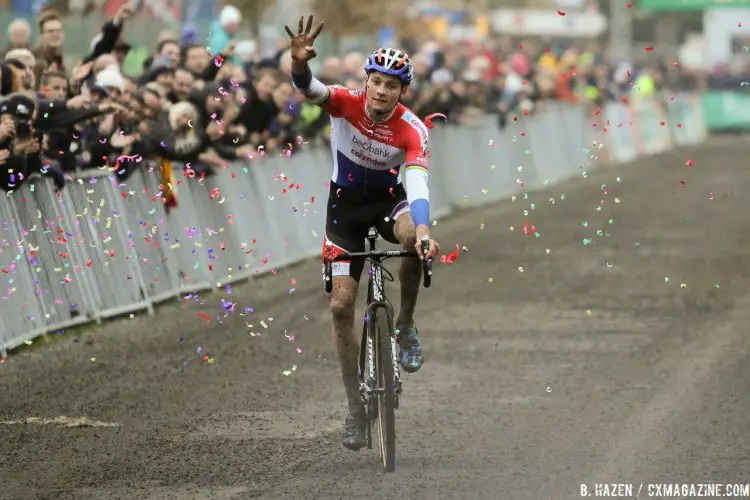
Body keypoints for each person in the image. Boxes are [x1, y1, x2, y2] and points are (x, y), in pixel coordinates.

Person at [284, 15, 440, 451]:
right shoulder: (345, 103)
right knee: (341, 305)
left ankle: (405, 323)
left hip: (390, 202)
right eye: (376, 82)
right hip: (346, 210)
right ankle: (356, 410)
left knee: (414, 239)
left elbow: (418, 183)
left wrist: (424, 230)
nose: (381, 91)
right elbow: (310, 89)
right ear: (366, 82)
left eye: (391, 86)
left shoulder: (413, 129)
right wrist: (298, 64)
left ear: (402, 92)